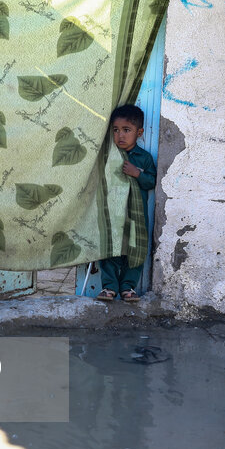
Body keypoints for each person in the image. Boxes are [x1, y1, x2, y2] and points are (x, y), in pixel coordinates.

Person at [96, 104, 156, 302]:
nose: (120, 135)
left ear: (139, 133)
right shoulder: (110, 156)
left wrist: (137, 173)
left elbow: (151, 182)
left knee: (135, 249)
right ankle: (109, 287)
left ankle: (128, 287)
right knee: (110, 248)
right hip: (112, 212)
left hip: (135, 214)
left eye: (126, 130)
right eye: (116, 130)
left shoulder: (144, 158)